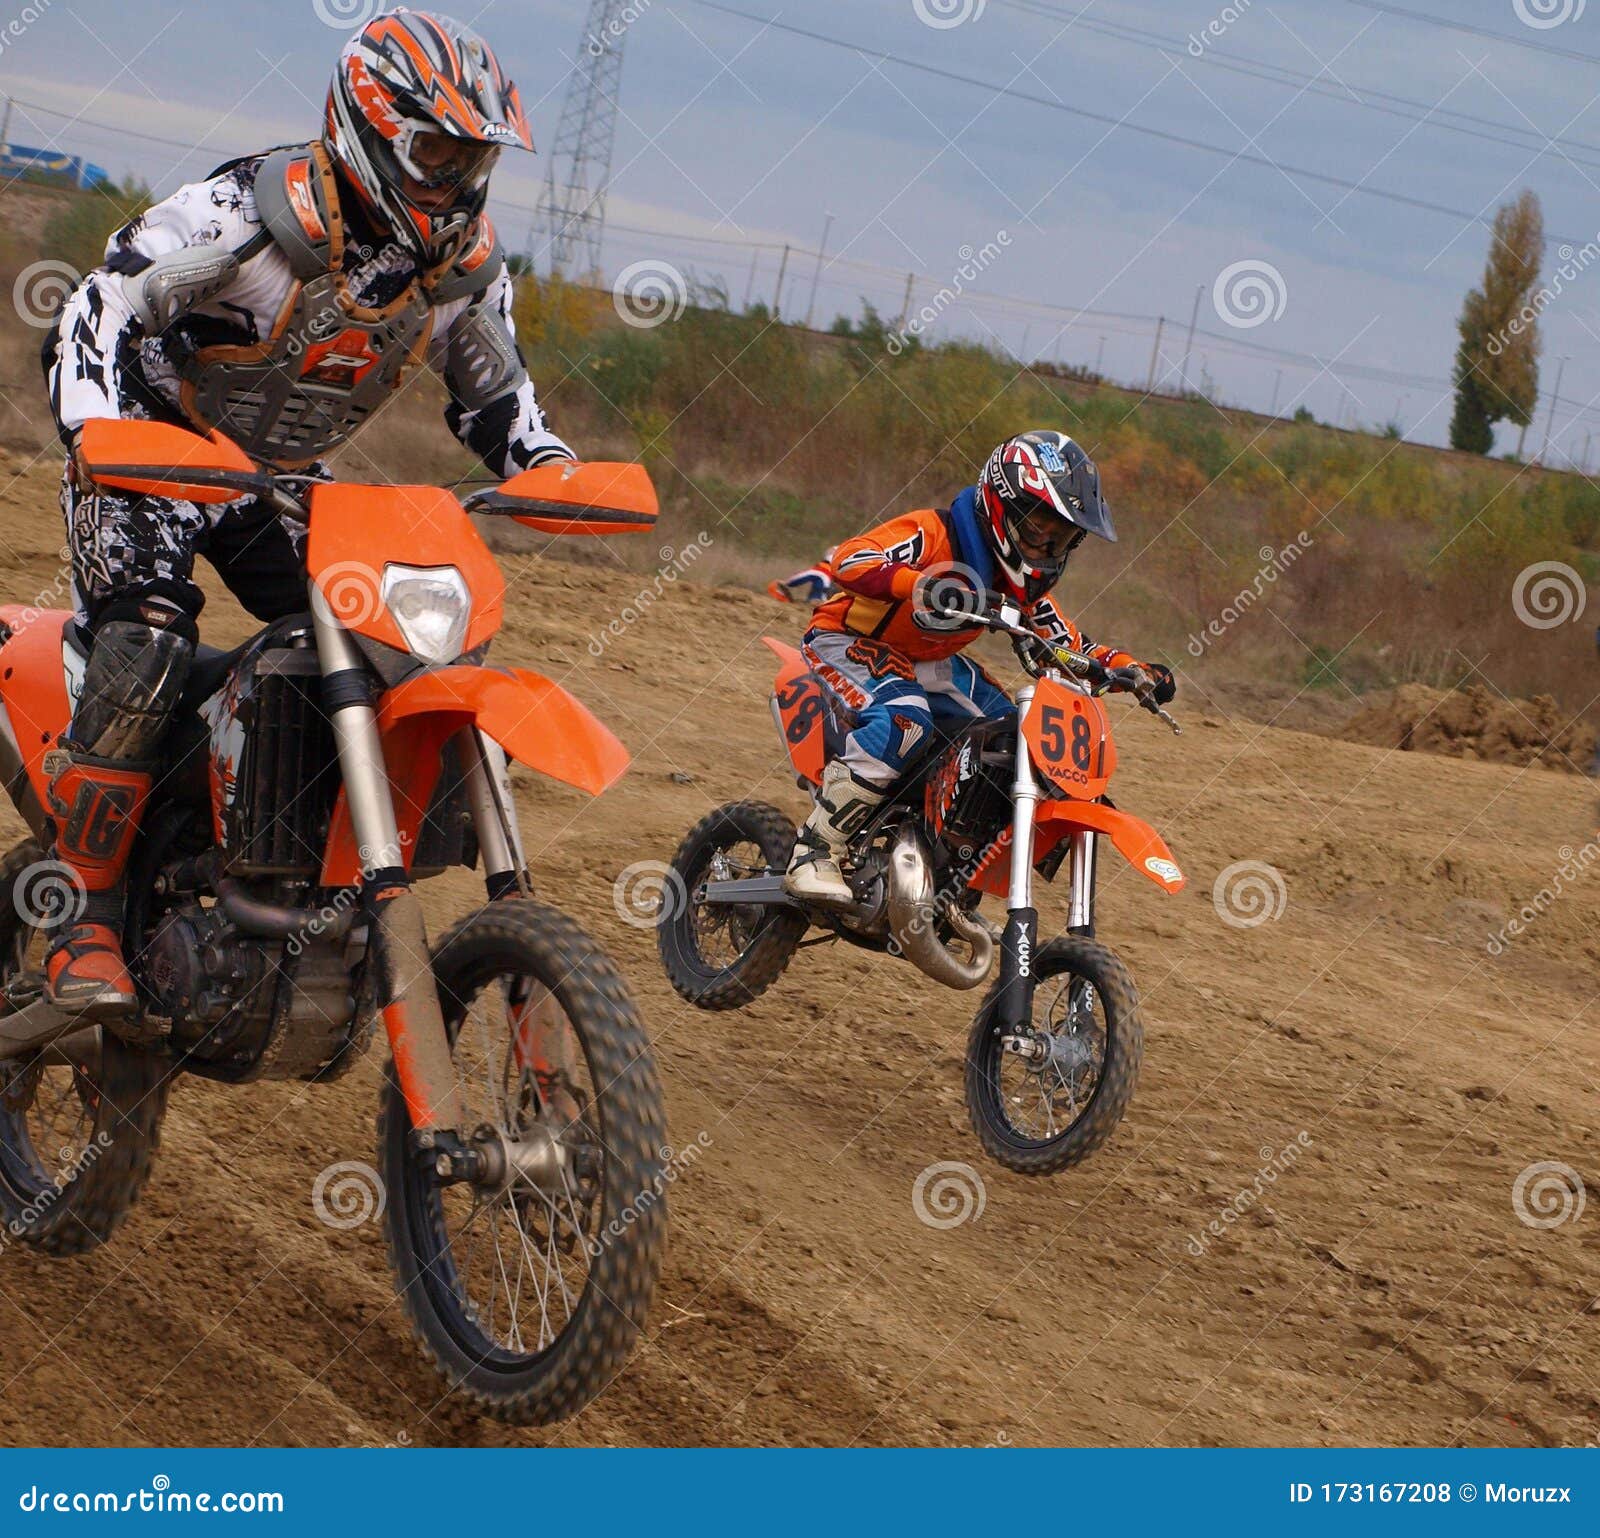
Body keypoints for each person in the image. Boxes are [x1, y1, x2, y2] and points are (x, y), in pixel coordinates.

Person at [38, 8, 573, 1013]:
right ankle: (84, 917)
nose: (459, 178)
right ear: (371, 129)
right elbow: (101, 304)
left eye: (475, 156)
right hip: (151, 450)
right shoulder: (252, 215)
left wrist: (543, 462)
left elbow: (495, 392)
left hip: (273, 475)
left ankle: (306, 874)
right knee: (146, 639)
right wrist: (100, 432)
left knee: (389, 642)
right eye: (438, 150)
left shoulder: (459, 269)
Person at [784, 430, 1174, 905]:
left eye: (1061, 539)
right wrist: (918, 583)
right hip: (849, 640)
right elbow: (850, 558)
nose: (1045, 549)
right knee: (905, 720)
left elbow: (1074, 648)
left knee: (1014, 735)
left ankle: (942, 857)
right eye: (1037, 530)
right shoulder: (934, 533)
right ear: (1000, 506)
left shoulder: (1023, 592)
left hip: (929, 661)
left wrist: (1133, 670)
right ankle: (814, 849)